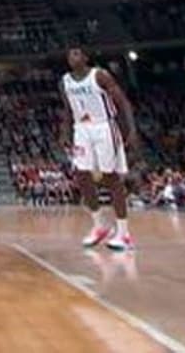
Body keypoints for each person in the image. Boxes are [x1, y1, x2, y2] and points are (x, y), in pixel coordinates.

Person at [60, 47, 139, 251]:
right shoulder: (65, 81)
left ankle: (124, 233)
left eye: (77, 53)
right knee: (82, 175)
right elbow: (68, 109)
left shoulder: (100, 75)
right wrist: (64, 131)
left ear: (86, 57)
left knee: (110, 177)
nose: (72, 57)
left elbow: (123, 103)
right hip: (81, 129)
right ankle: (99, 225)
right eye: (70, 54)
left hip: (104, 126)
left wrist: (131, 130)